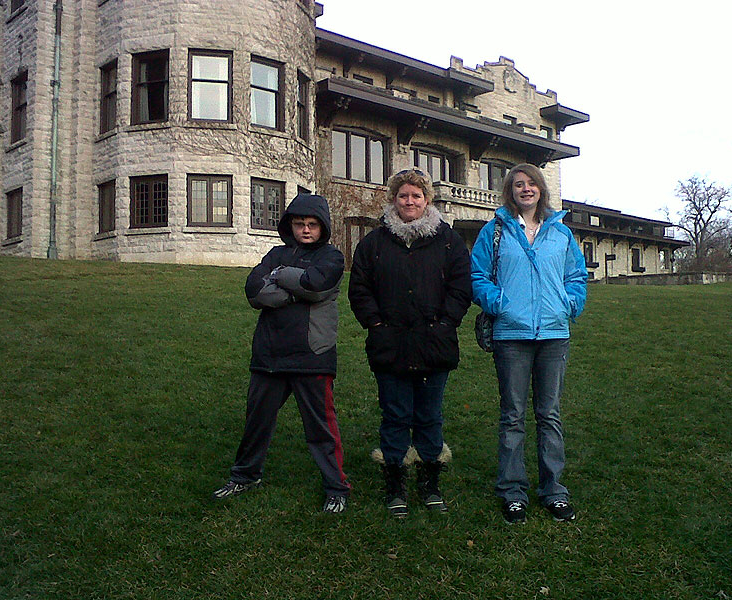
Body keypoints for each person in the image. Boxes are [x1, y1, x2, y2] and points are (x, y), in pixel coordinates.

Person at [213, 193, 351, 514]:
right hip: (269, 354)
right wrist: (295, 289)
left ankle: (336, 487)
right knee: (256, 422)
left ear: (323, 227)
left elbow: (316, 284)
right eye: (300, 223)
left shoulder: (332, 257)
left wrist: (280, 278)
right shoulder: (276, 253)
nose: (305, 229)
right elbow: (254, 291)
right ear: (290, 225)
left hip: (312, 355)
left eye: (312, 224)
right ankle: (245, 476)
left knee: (321, 428)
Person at [348, 168, 471, 518]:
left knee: (430, 416)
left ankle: (430, 483)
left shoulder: (448, 241)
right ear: (394, 199)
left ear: (427, 199)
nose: (410, 201)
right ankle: (395, 483)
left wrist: (447, 322)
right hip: (391, 344)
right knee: (396, 415)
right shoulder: (374, 243)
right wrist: (376, 324)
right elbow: (360, 288)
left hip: (434, 344)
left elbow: (462, 286)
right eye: (403, 195)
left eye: (416, 195)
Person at [470, 163, 587, 524]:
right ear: (510, 191)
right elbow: (476, 275)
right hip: (512, 335)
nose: (525, 189)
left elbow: (577, 276)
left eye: (531, 183)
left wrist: (569, 303)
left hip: (554, 334)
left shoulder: (561, 233)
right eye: (518, 184)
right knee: (512, 415)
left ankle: (553, 490)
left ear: (541, 189)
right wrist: (498, 303)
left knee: (549, 414)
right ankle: (513, 491)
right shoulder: (495, 231)